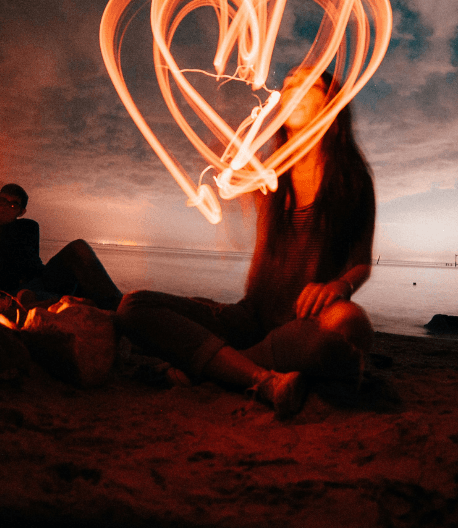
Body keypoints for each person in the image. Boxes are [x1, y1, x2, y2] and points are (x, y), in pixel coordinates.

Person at [117, 67, 375, 418]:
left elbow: (361, 261)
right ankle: (256, 374)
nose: (291, 88)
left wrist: (340, 285)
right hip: (250, 318)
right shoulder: (267, 174)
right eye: (287, 85)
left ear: (331, 103)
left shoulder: (352, 181)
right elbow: (228, 173)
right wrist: (221, 161)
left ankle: (221, 367)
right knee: (134, 307)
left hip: (306, 322)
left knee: (351, 322)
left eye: (307, 83)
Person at [0, 184, 123, 311]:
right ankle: (88, 305)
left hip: (38, 282)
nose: (6, 207)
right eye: (2, 201)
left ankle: (120, 306)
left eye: (13, 204)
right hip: (4, 293)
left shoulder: (28, 227)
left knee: (79, 248)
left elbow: (28, 263)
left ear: (21, 211)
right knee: (38, 298)